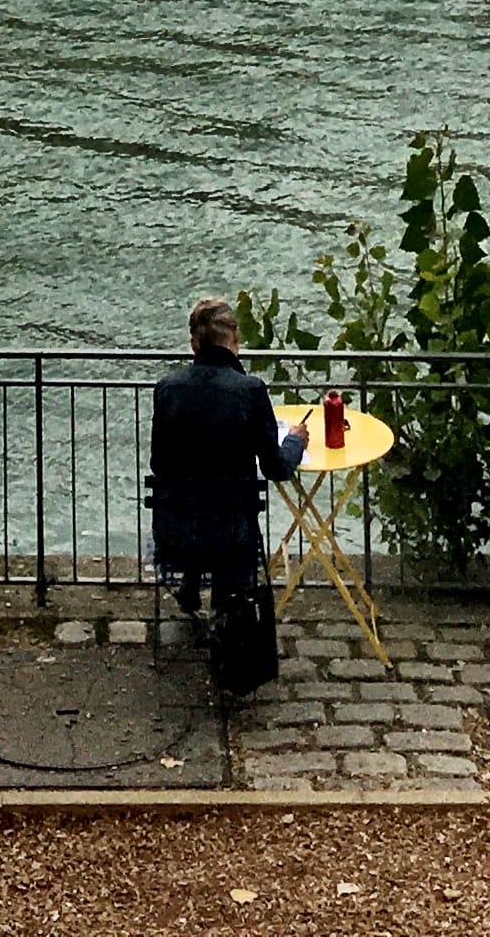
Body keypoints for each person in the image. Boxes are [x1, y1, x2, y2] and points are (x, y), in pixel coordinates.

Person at [149, 295, 306, 691]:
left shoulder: (167, 389)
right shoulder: (249, 390)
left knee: (200, 500)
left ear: (194, 344)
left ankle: (189, 587)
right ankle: (226, 632)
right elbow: (276, 467)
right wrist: (297, 442)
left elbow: (159, 464)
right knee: (226, 518)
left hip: (175, 534)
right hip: (231, 542)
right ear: (233, 340)